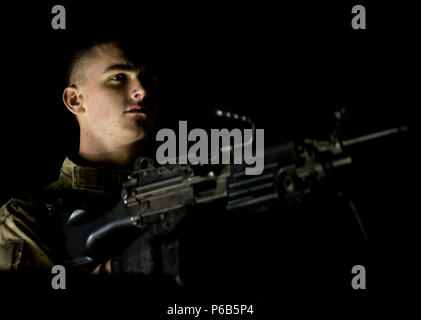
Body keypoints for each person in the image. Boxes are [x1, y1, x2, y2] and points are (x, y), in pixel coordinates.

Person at [0, 39, 166, 275]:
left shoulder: (181, 190)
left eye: (148, 80)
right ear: (75, 100)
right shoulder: (25, 219)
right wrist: (118, 268)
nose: (142, 90)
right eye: (118, 77)